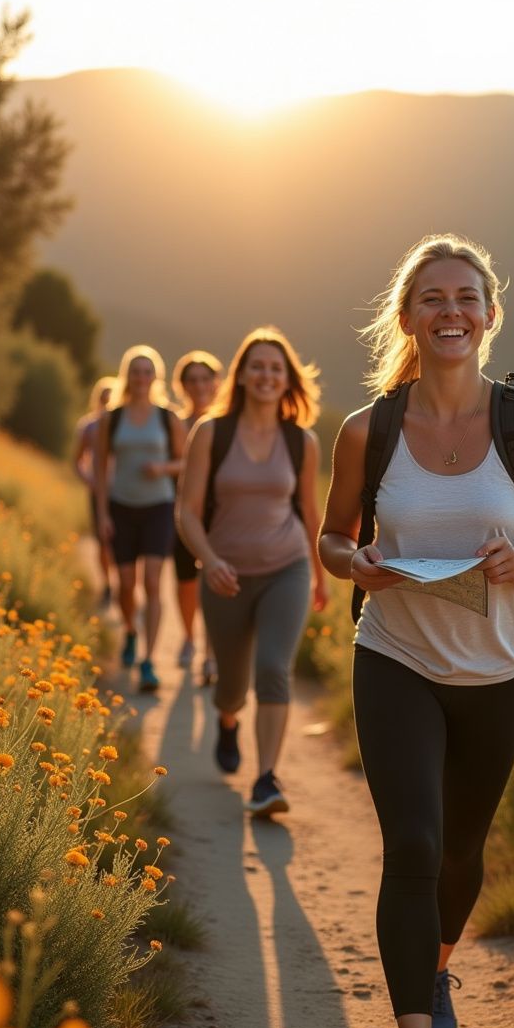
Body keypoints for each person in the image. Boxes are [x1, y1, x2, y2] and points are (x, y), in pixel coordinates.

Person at [319, 234, 514, 1028]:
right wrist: (355, 563)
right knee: (414, 845)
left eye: (466, 297)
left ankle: (438, 965)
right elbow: (329, 536)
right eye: (432, 297)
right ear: (408, 317)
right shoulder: (370, 429)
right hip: (393, 655)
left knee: (462, 852)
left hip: (496, 667)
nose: (450, 312)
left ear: (489, 314)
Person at [178, 327, 329, 816]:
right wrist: (211, 560)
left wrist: (320, 574)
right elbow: (186, 511)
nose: (266, 375)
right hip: (225, 573)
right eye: (257, 366)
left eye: (276, 368)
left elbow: (308, 510)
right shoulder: (211, 433)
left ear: (288, 380)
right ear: (241, 375)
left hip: (287, 568)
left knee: (272, 670)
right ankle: (227, 722)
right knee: (231, 685)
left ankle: (266, 779)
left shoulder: (301, 441)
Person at [94, 345, 186, 693]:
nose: (142, 378)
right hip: (121, 506)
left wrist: (162, 468)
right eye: (136, 371)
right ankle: (131, 630)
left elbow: (185, 461)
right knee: (125, 583)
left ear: (155, 377)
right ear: (127, 376)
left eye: (148, 372)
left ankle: (149, 661)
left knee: (152, 581)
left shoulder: (167, 417)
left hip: (159, 506)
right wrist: (102, 513)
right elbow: (101, 470)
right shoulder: (111, 418)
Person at [170, 350, 223, 681]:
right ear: (182, 385)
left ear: (216, 383)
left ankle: (210, 653)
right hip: (184, 513)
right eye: (193, 379)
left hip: (221, 515)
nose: (199, 385)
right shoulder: (175, 422)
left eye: (206, 378)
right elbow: (177, 461)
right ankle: (189, 636)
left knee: (214, 584)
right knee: (185, 581)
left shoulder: (226, 422)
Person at [73, 375, 116, 607]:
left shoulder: (124, 424)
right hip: (98, 491)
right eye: (104, 398)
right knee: (103, 542)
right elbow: (77, 460)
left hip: (122, 492)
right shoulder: (88, 426)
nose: (108, 403)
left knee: (123, 543)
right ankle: (108, 584)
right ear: (97, 400)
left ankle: (127, 585)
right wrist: (89, 479)